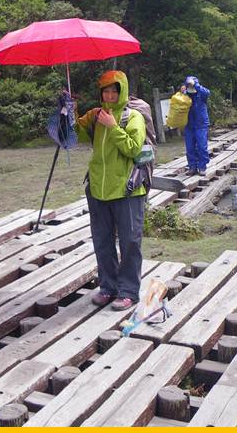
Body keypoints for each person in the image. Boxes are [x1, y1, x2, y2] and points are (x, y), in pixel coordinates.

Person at [75, 70, 148, 311]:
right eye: (105, 91)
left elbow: (133, 149)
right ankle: (108, 287)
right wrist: (70, 111)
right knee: (102, 241)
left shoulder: (133, 117)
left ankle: (128, 292)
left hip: (127, 189)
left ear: (122, 92)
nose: (109, 95)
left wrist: (114, 126)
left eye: (113, 91)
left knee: (129, 242)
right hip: (98, 188)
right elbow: (76, 134)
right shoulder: (96, 115)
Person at [179, 76, 211, 175]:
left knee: (202, 147)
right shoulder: (185, 95)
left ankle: (202, 167)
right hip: (189, 125)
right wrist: (182, 90)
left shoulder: (202, 94)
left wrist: (195, 85)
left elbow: (207, 92)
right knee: (190, 148)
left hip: (201, 124)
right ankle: (192, 167)